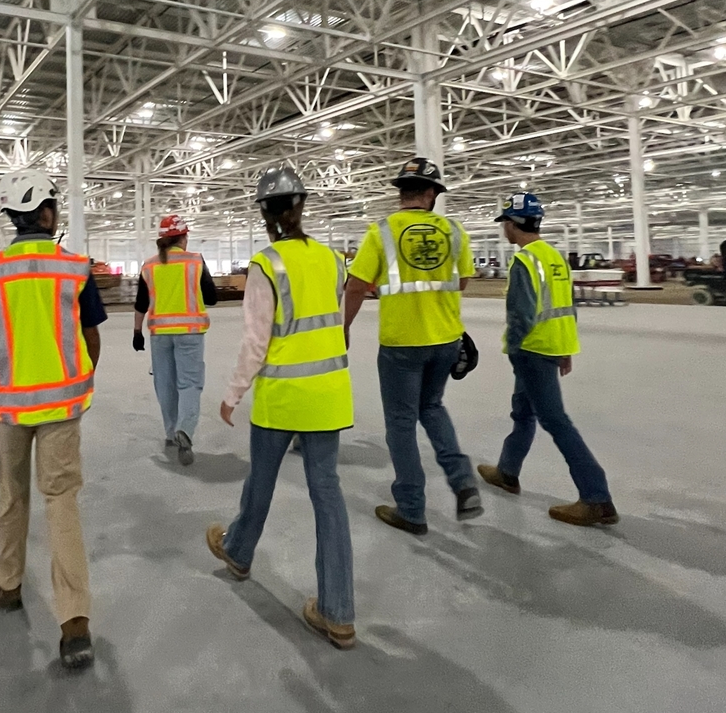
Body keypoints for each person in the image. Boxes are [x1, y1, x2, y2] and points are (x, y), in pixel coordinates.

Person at [0, 168, 108, 671]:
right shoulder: (75, 268)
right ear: (47, 212)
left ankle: (7, 585)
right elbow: (91, 340)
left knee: (11, 494)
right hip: (63, 409)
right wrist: (80, 381)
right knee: (61, 501)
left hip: (9, 409)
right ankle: (74, 623)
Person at [207, 164, 357, 650]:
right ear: (301, 205)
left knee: (262, 481)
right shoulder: (334, 260)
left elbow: (256, 340)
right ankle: (338, 614)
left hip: (283, 398)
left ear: (266, 215)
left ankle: (238, 550)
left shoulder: (266, 265)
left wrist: (233, 394)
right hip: (329, 395)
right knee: (328, 497)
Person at [343, 157, 482, 535]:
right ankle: (462, 480)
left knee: (401, 424)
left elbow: (355, 285)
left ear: (401, 192)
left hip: (402, 345)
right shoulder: (455, 231)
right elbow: (464, 281)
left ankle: (412, 509)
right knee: (433, 408)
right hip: (445, 340)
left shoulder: (382, 231)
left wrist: (345, 325)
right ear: (432, 193)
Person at [477, 193, 619, 527]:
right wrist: (565, 348)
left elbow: (522, 314)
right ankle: (507, 472)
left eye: (505, 224)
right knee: (523, 413)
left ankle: (596, 497)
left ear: (513, 225)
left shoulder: (525, 261)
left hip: (532, 350)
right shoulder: (555, 257)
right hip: (551, 345)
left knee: (556, 421)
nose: (504, 230)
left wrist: (513, 349)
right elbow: (567, 306)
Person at [132, 214, 217, 466]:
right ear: (183, 237)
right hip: (190, 333)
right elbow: (212, 297)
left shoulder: (149, 266)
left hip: (160, 336)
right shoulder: (195, 261)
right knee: (189, 383)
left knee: (165, 384)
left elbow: (140, 303)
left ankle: (171, 433)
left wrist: (137, 332)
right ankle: (185, 430)